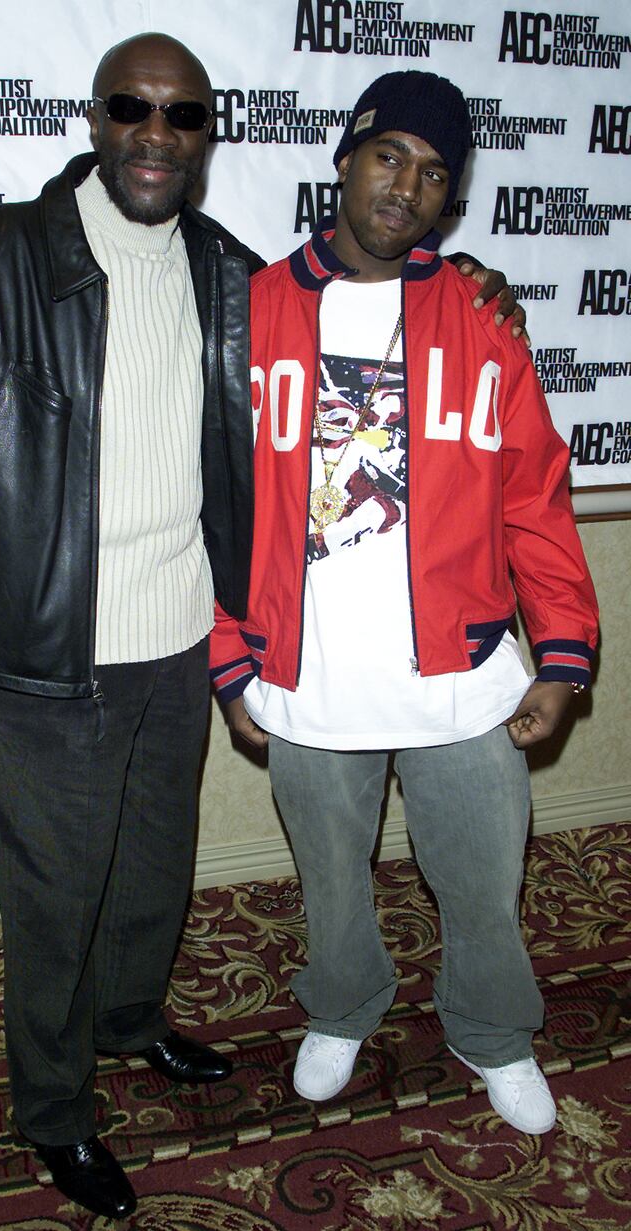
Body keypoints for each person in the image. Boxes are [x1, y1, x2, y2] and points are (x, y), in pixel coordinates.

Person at [0, 35, 525, 1218]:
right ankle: (54, 1110)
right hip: (48, 648)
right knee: (57, 893)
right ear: (97, 120)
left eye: (182, 116)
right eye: (132, 107)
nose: (156, 134)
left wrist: (468, 280)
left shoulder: (227, 275)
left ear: (206, 137)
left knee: (154, 867)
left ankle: (129, 1023)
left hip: (180, 640)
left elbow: (350, 322)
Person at [211, 70, 599, 1138]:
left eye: (433, 174)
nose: (406, 187)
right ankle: (341, 1007)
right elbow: (213, 506)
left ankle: (493, 1032)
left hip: (460, 670)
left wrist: (563, 653)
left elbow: (531, 496)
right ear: (345, 160)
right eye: (389, 157)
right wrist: (230, 660)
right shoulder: (251, 311)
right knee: (330, 879)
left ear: (449, 198)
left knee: (481, 878)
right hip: (305, 670)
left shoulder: (479, 316)